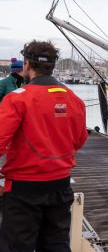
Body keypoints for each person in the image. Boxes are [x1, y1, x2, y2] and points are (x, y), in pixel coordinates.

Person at [0, 40, 88, 252]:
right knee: (57, 244)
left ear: (27, 65)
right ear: (53, 66)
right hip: (60, 186)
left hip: (23, 190)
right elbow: (79, 140)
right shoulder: (74, 99)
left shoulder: (17, 99)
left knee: (16, 246)